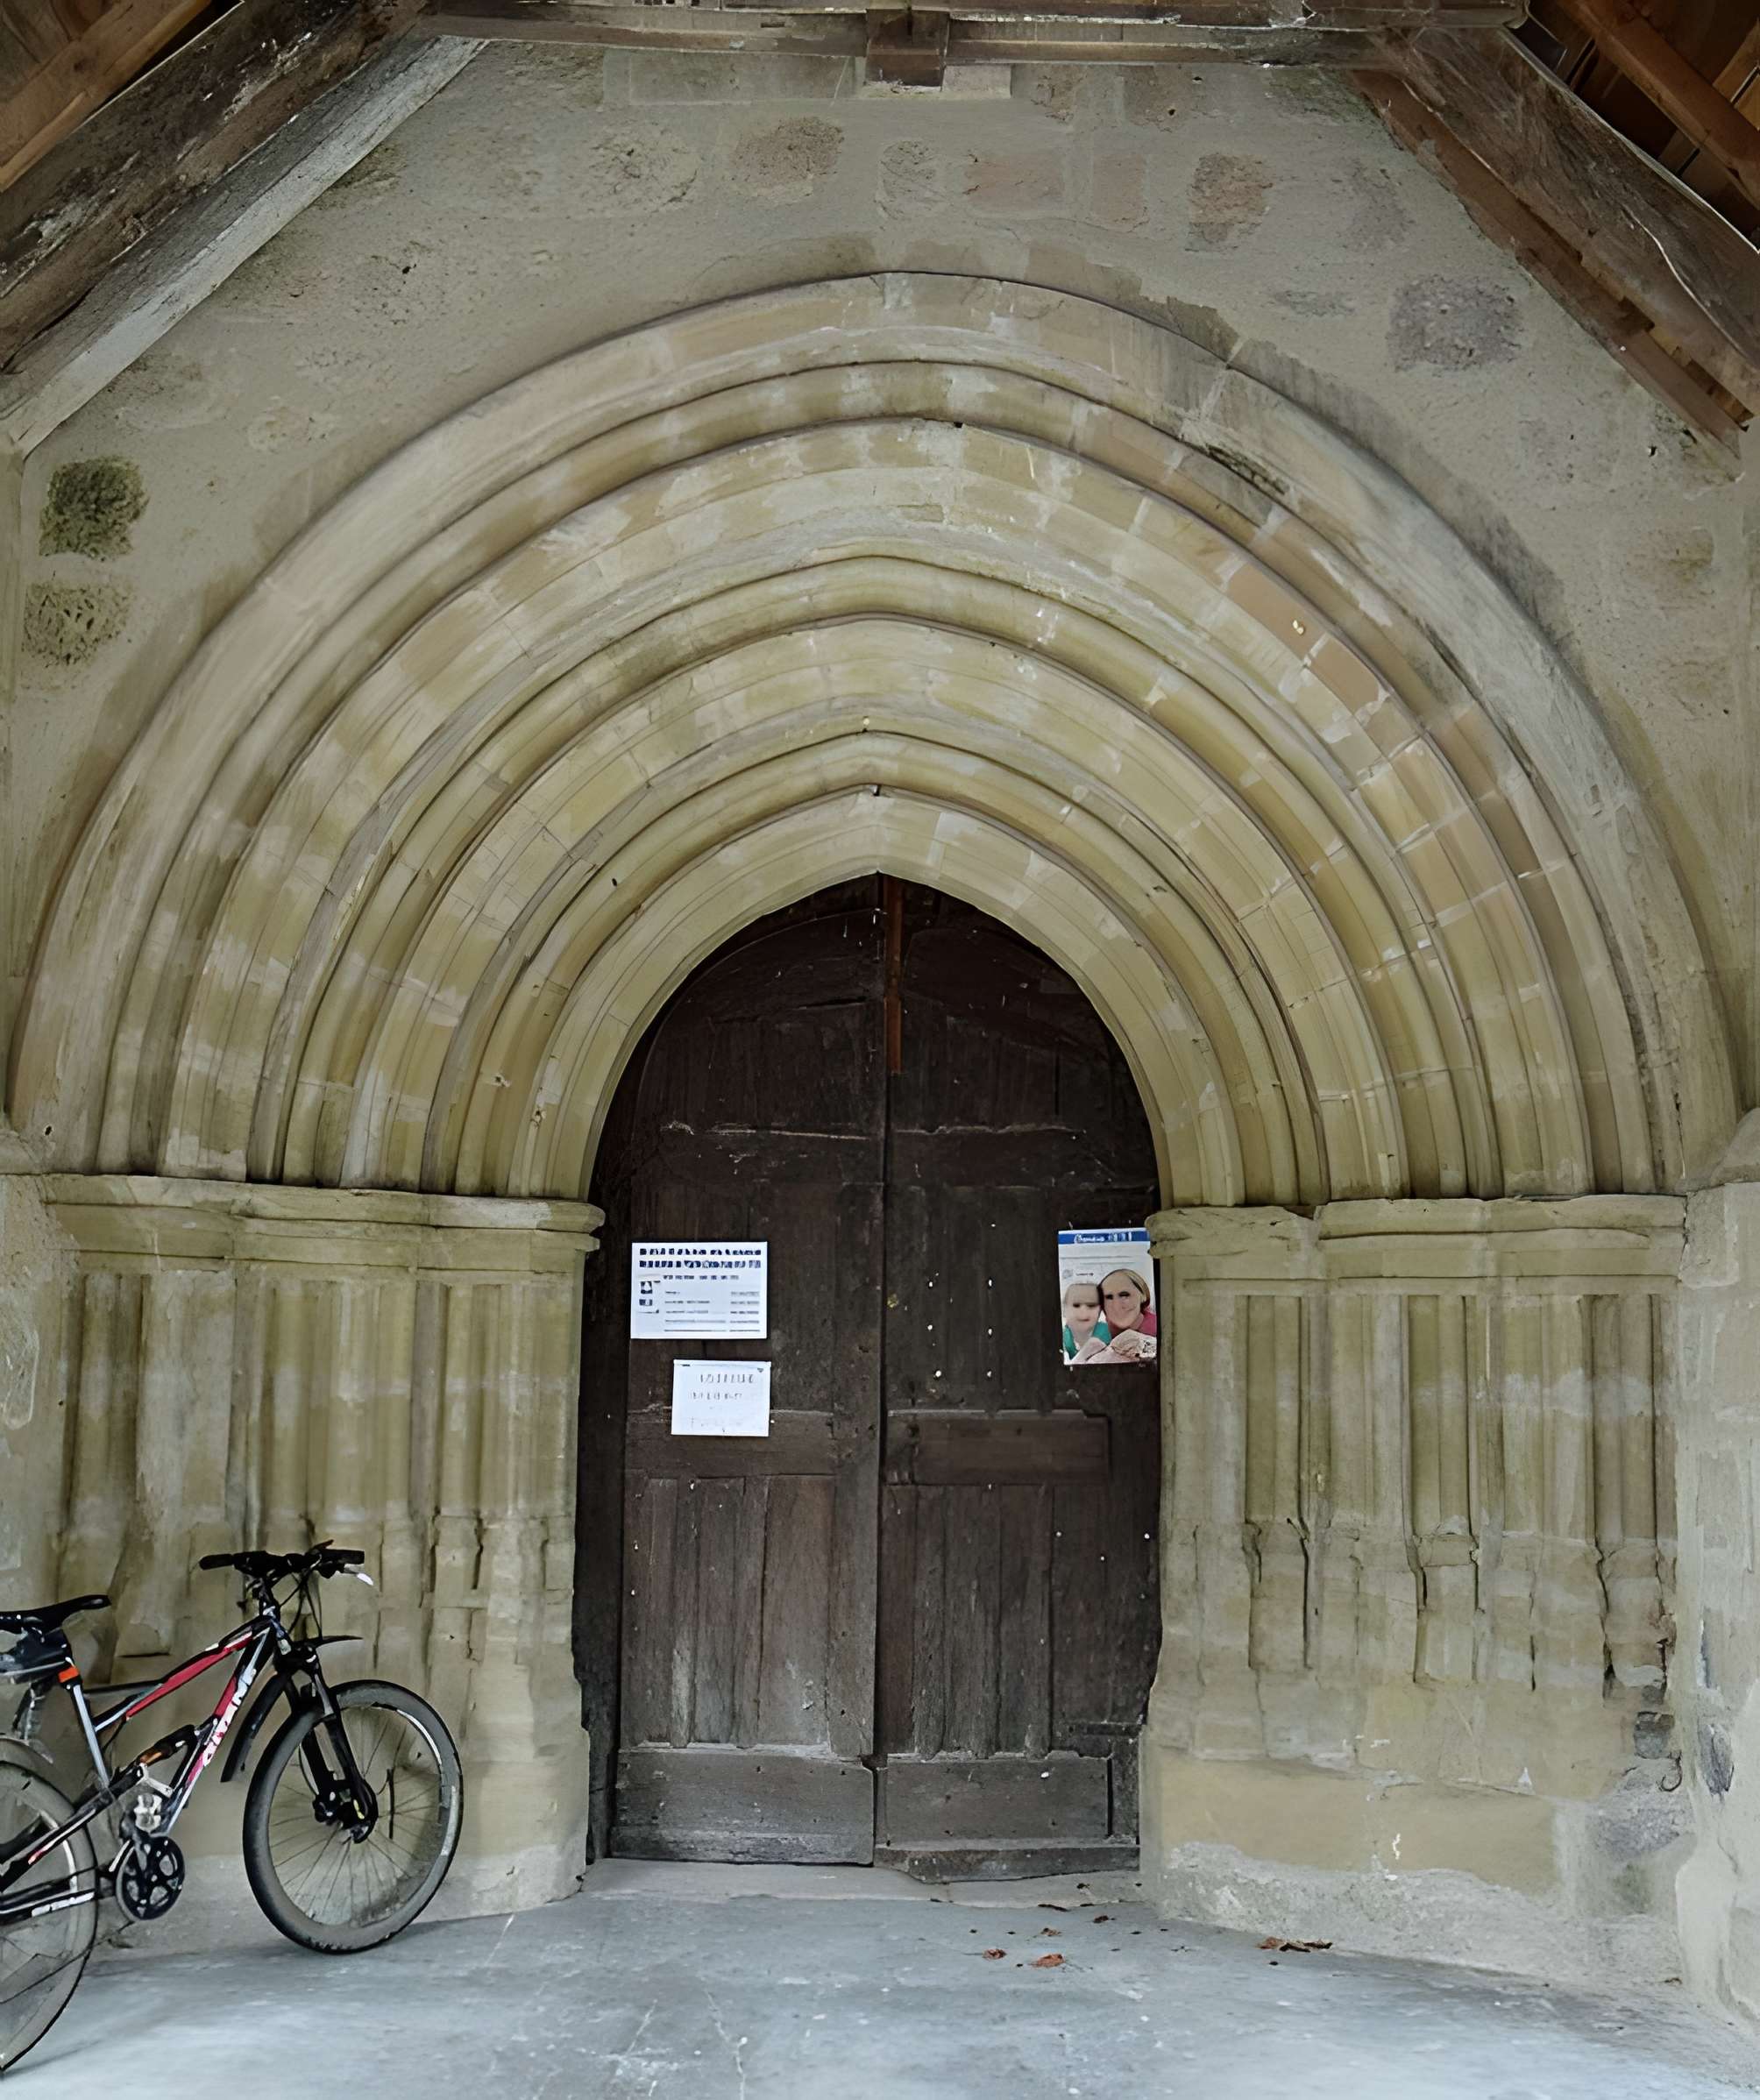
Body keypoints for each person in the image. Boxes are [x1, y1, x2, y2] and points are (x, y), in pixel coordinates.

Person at [1098, 1269, 1158, 1361]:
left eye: (1124, 1295)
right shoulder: (1098, 1333)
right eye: (1109, 1297)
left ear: (1142, 1296)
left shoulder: (1161, 1327)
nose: (1116, 1305)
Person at [1061, 1281, 1111, 1365]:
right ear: (1065, 1310)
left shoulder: (1107, 1332)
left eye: (1091, 1305)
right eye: (1076, 1305)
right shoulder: (1063, 1336)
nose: (1083, 1311)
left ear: (1100, 1310)